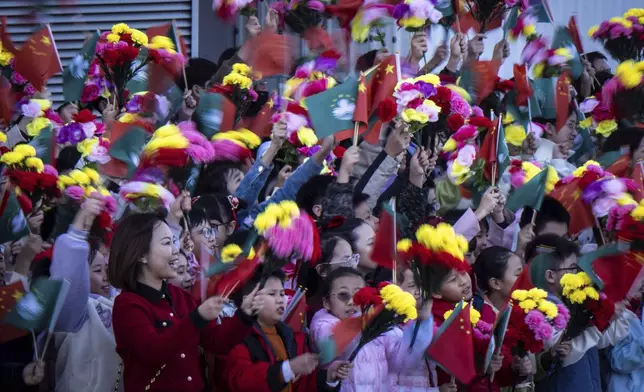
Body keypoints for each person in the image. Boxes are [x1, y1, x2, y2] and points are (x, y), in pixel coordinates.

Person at [109, 212, 266, 392]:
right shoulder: (127, 305)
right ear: (142, 255)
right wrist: (197, 318)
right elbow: (154, 350)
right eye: (167, 243)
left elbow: (216, 341)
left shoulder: (179, 296)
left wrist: (245, 315)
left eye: (174, 241)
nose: (176, 250)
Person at [524, 235, 628, 392]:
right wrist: (599, 321)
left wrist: (615, 313)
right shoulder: (539, 311)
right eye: (572, 268)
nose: (579, 274)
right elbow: (566, 351)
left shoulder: (573, 303)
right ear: (550, 276)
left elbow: (603, 340)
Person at [222, 268, 352, 391]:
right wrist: (288, 369)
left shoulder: (295, 338)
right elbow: (240, 382)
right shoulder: (237, 338)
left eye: (282, 293)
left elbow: (304, 385)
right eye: (272, 294)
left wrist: (328, 376)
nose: (280, 300)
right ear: (249, 301)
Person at [309, 267, 434, 392]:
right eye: (343, 295)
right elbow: (333, 346)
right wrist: (370, 316)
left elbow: (404, 361)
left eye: (358, 295)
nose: (352, 302)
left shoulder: (377, 325)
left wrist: (422, 322)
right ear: (327, 302)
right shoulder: (322, 324)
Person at [472, 246, 535, 391]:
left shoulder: (518, 310)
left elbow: (504, 376)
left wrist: (518, 369)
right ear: (495, 283)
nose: (525, 278)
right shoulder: (478, 318)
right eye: (518, 274)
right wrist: (483, 368)